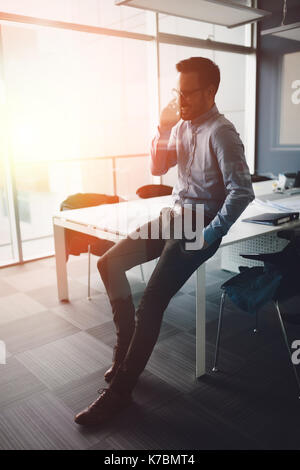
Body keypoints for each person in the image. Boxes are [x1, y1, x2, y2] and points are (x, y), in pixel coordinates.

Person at [74, 57, 255, 425]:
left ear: (210, 91)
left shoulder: (221, 132)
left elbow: (242, 192)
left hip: (198, 224)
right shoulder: (182, 126)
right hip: (174, 218)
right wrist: (162, 125)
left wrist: (211, 233)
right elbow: (157, 168)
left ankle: (121, 392)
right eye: (178, 92)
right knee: (108, 263)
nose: (181, 100)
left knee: (151, 302)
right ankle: (124, 351)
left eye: (188, 93)